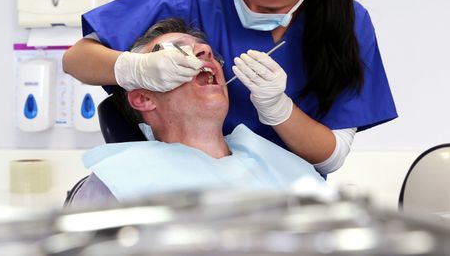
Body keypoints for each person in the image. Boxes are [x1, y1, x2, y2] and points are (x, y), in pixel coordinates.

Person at [63, 0, 397, 175]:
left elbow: (332, 157)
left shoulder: (347, 25)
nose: (205, 52)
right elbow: (76, 59)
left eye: (268, 9)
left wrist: (279, 109)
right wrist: (134, 67)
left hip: (286, 204)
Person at [69, 19, 327, 206]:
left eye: (208, 51)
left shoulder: (282, 166)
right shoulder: (118, 183)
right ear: (144, 98)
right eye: (177, 52)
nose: (205, 52)